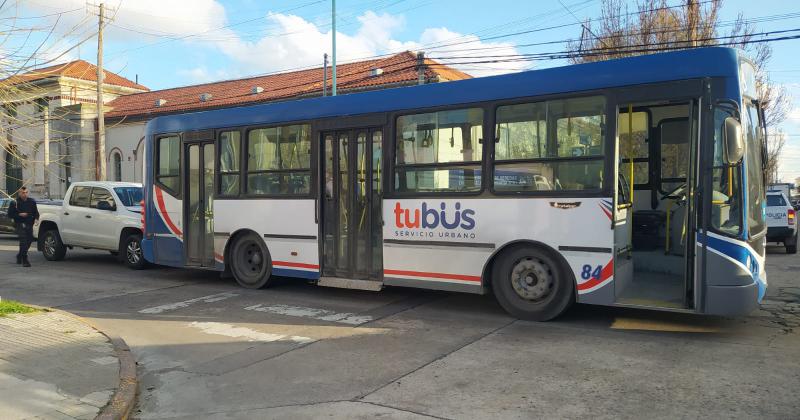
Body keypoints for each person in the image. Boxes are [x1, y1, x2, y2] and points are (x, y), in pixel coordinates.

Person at [7, 186, 39, 267]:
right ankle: (25, 259)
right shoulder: (15, 202)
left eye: (26, 192)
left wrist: (36, 219)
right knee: (23, 241)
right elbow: (10, 214)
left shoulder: (32, 201)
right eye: (23, 193)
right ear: (19, 193)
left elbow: (36, 212)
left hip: (29, 223)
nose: (25, 194)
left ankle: (19, 255)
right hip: (20, 224)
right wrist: (19, 214)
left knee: (30, 240)